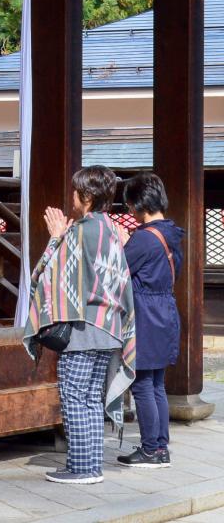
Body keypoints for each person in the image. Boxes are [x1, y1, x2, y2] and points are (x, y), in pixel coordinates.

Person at [23, 165, 135, 485]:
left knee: (74, 396)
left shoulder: (79, 232)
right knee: (90, 399)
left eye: (75, 191)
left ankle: (82, 468)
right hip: (110, 326)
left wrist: (56, 238)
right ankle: (90, 465)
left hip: (83, 329)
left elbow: (46, 276)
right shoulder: (114, 231)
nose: (71, 196)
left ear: (86, 195)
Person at [116, 172, 183, 469]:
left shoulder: (143, 238)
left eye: (130, 205)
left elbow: (118, 271)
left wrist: (122, 243)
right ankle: (160, 447)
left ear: (139, 204)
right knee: (156, 384)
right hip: (165, 309)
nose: (130, 211)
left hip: (145, 314)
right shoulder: (171, 233)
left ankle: (150, 450)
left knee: (142, 385)